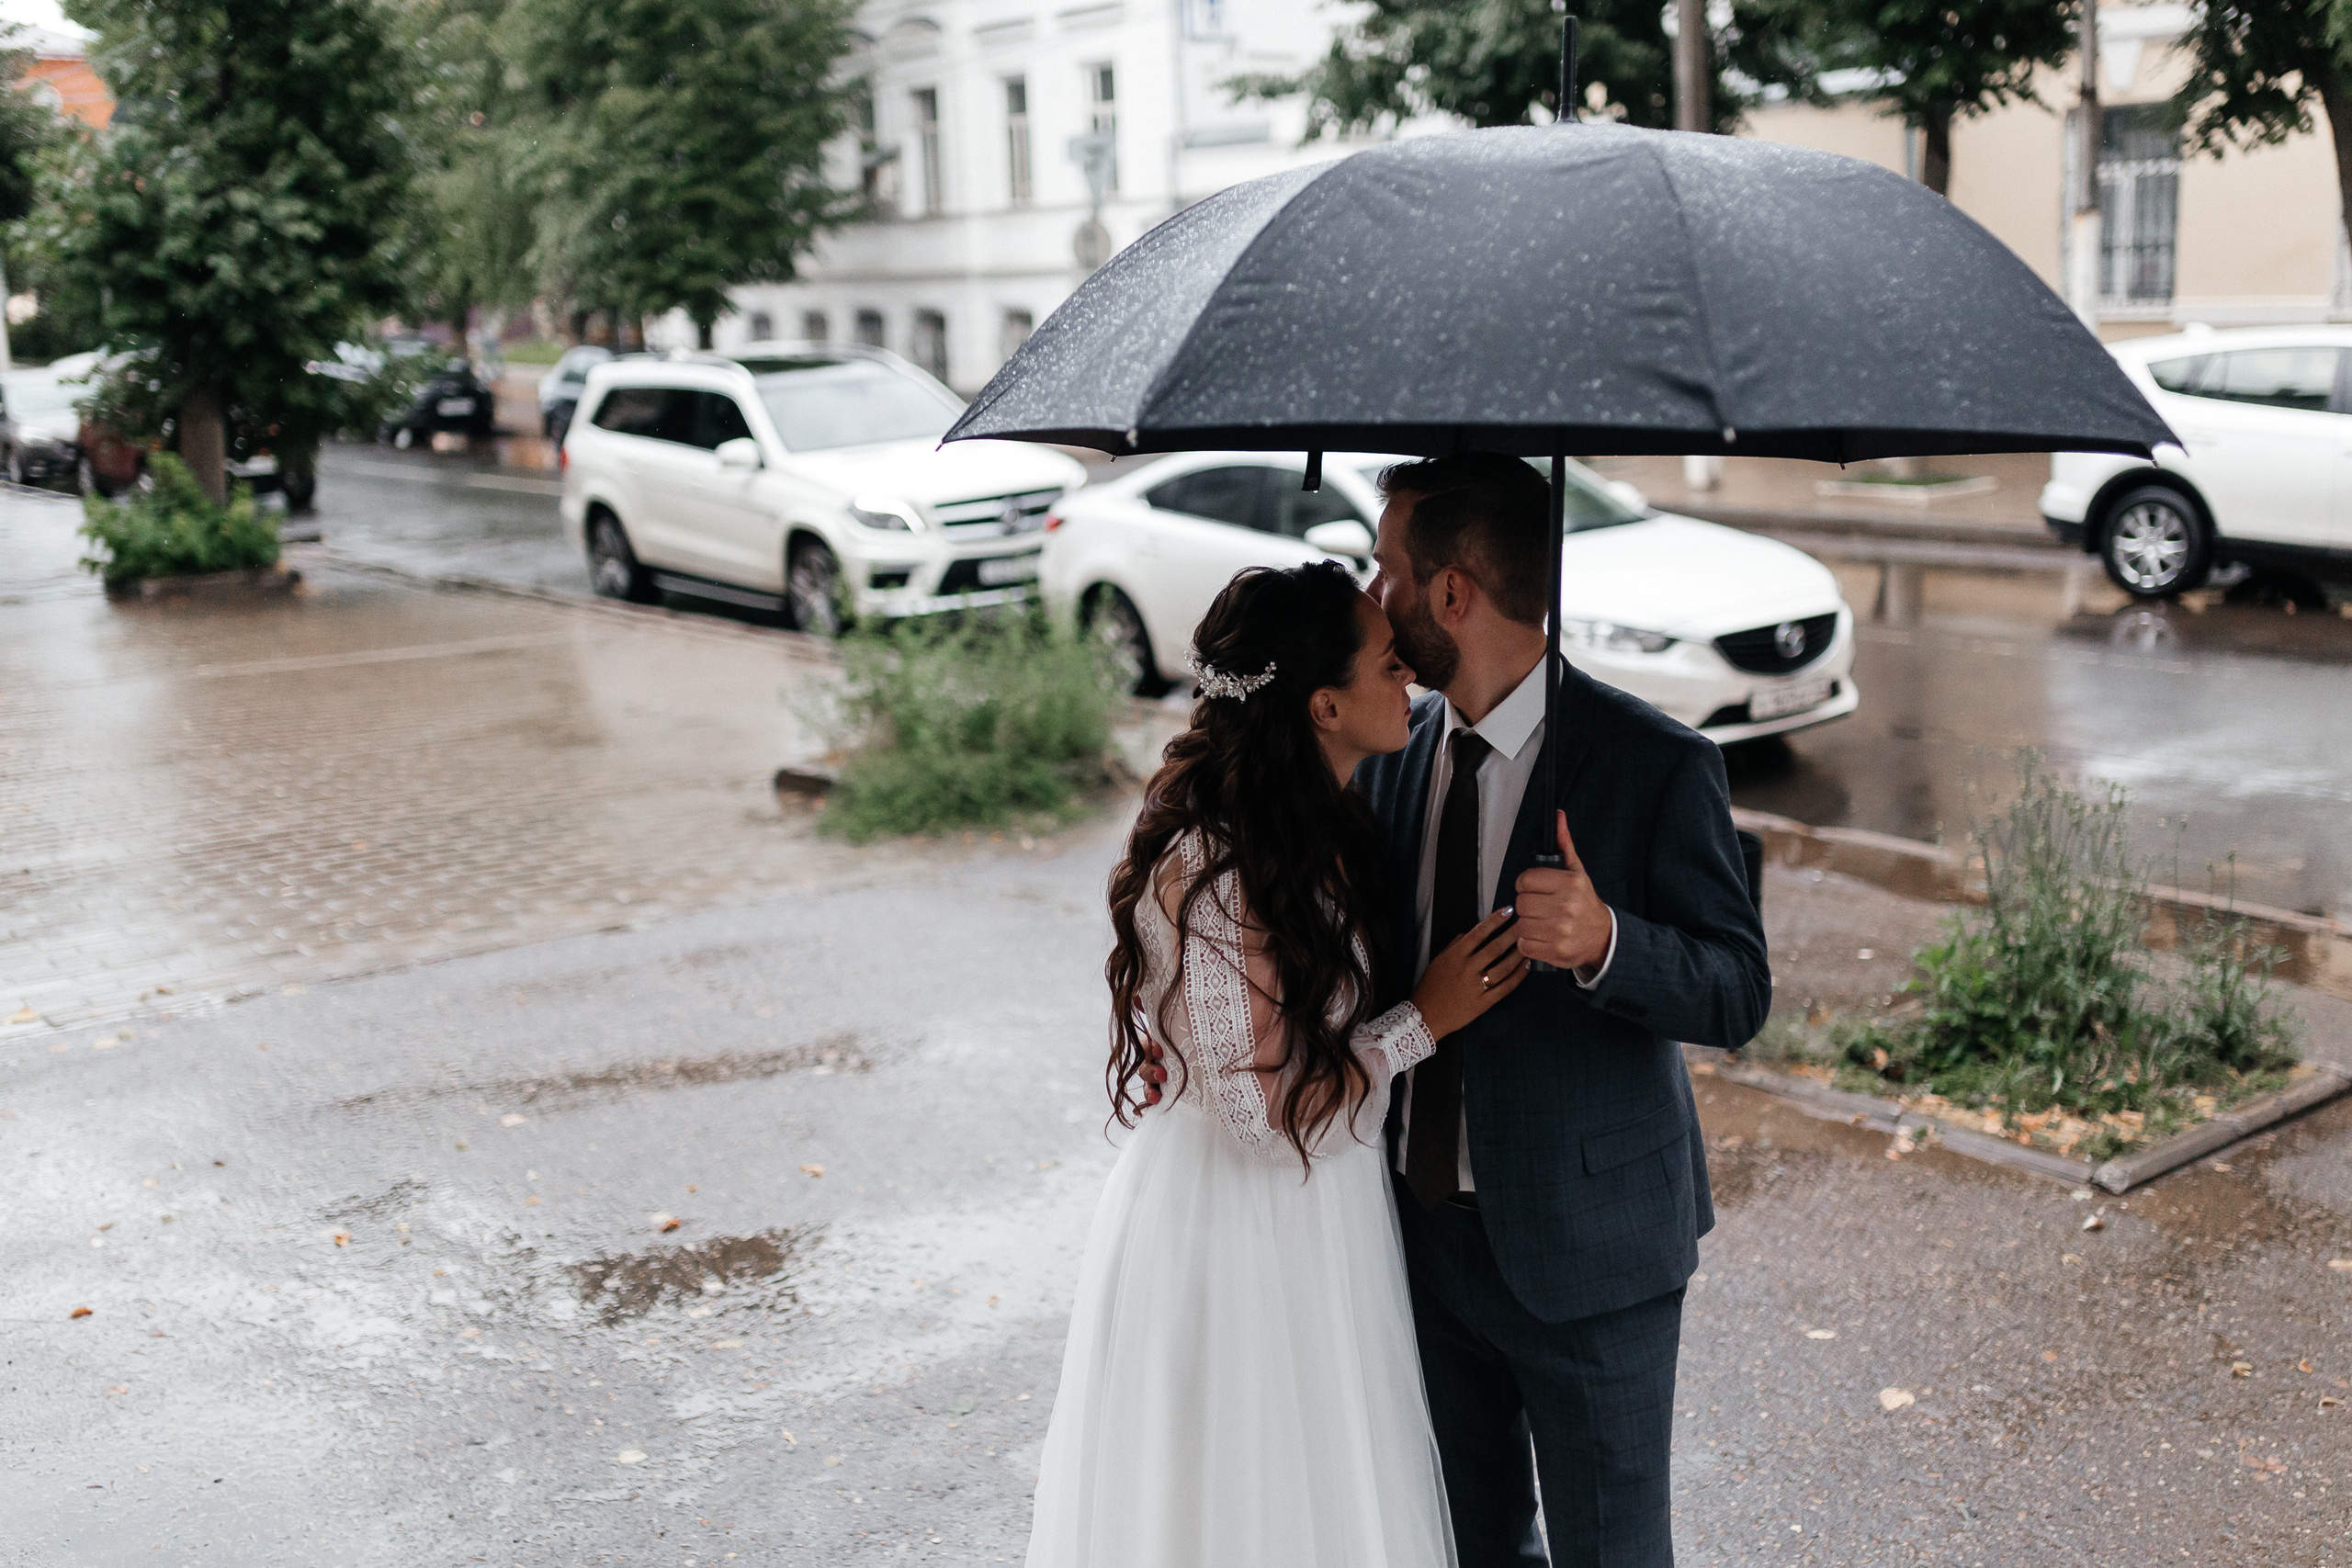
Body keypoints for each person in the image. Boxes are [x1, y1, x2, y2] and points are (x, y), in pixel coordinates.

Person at [1025, 559, 1530, 1568]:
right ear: (1323, 704)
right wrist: (1421, 1020)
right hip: (1244, 1225)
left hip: (1330, 1206)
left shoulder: (1320, 824)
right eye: (1390, 667)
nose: (1414, 685)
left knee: (1336, 1489)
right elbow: (1263, 1117)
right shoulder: (1211, 868)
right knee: (1250, 1502)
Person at [1354, 452, 1771, 1568]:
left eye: (1384, 567)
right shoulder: (1393, 755)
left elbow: (1739, 991)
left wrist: (1608, 944)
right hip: (1420, 1236)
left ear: (1452, 594)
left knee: (1612, 1553)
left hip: (1593, 1264)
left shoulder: (1655, 764)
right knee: (1470, 1545)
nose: (1370, 594)